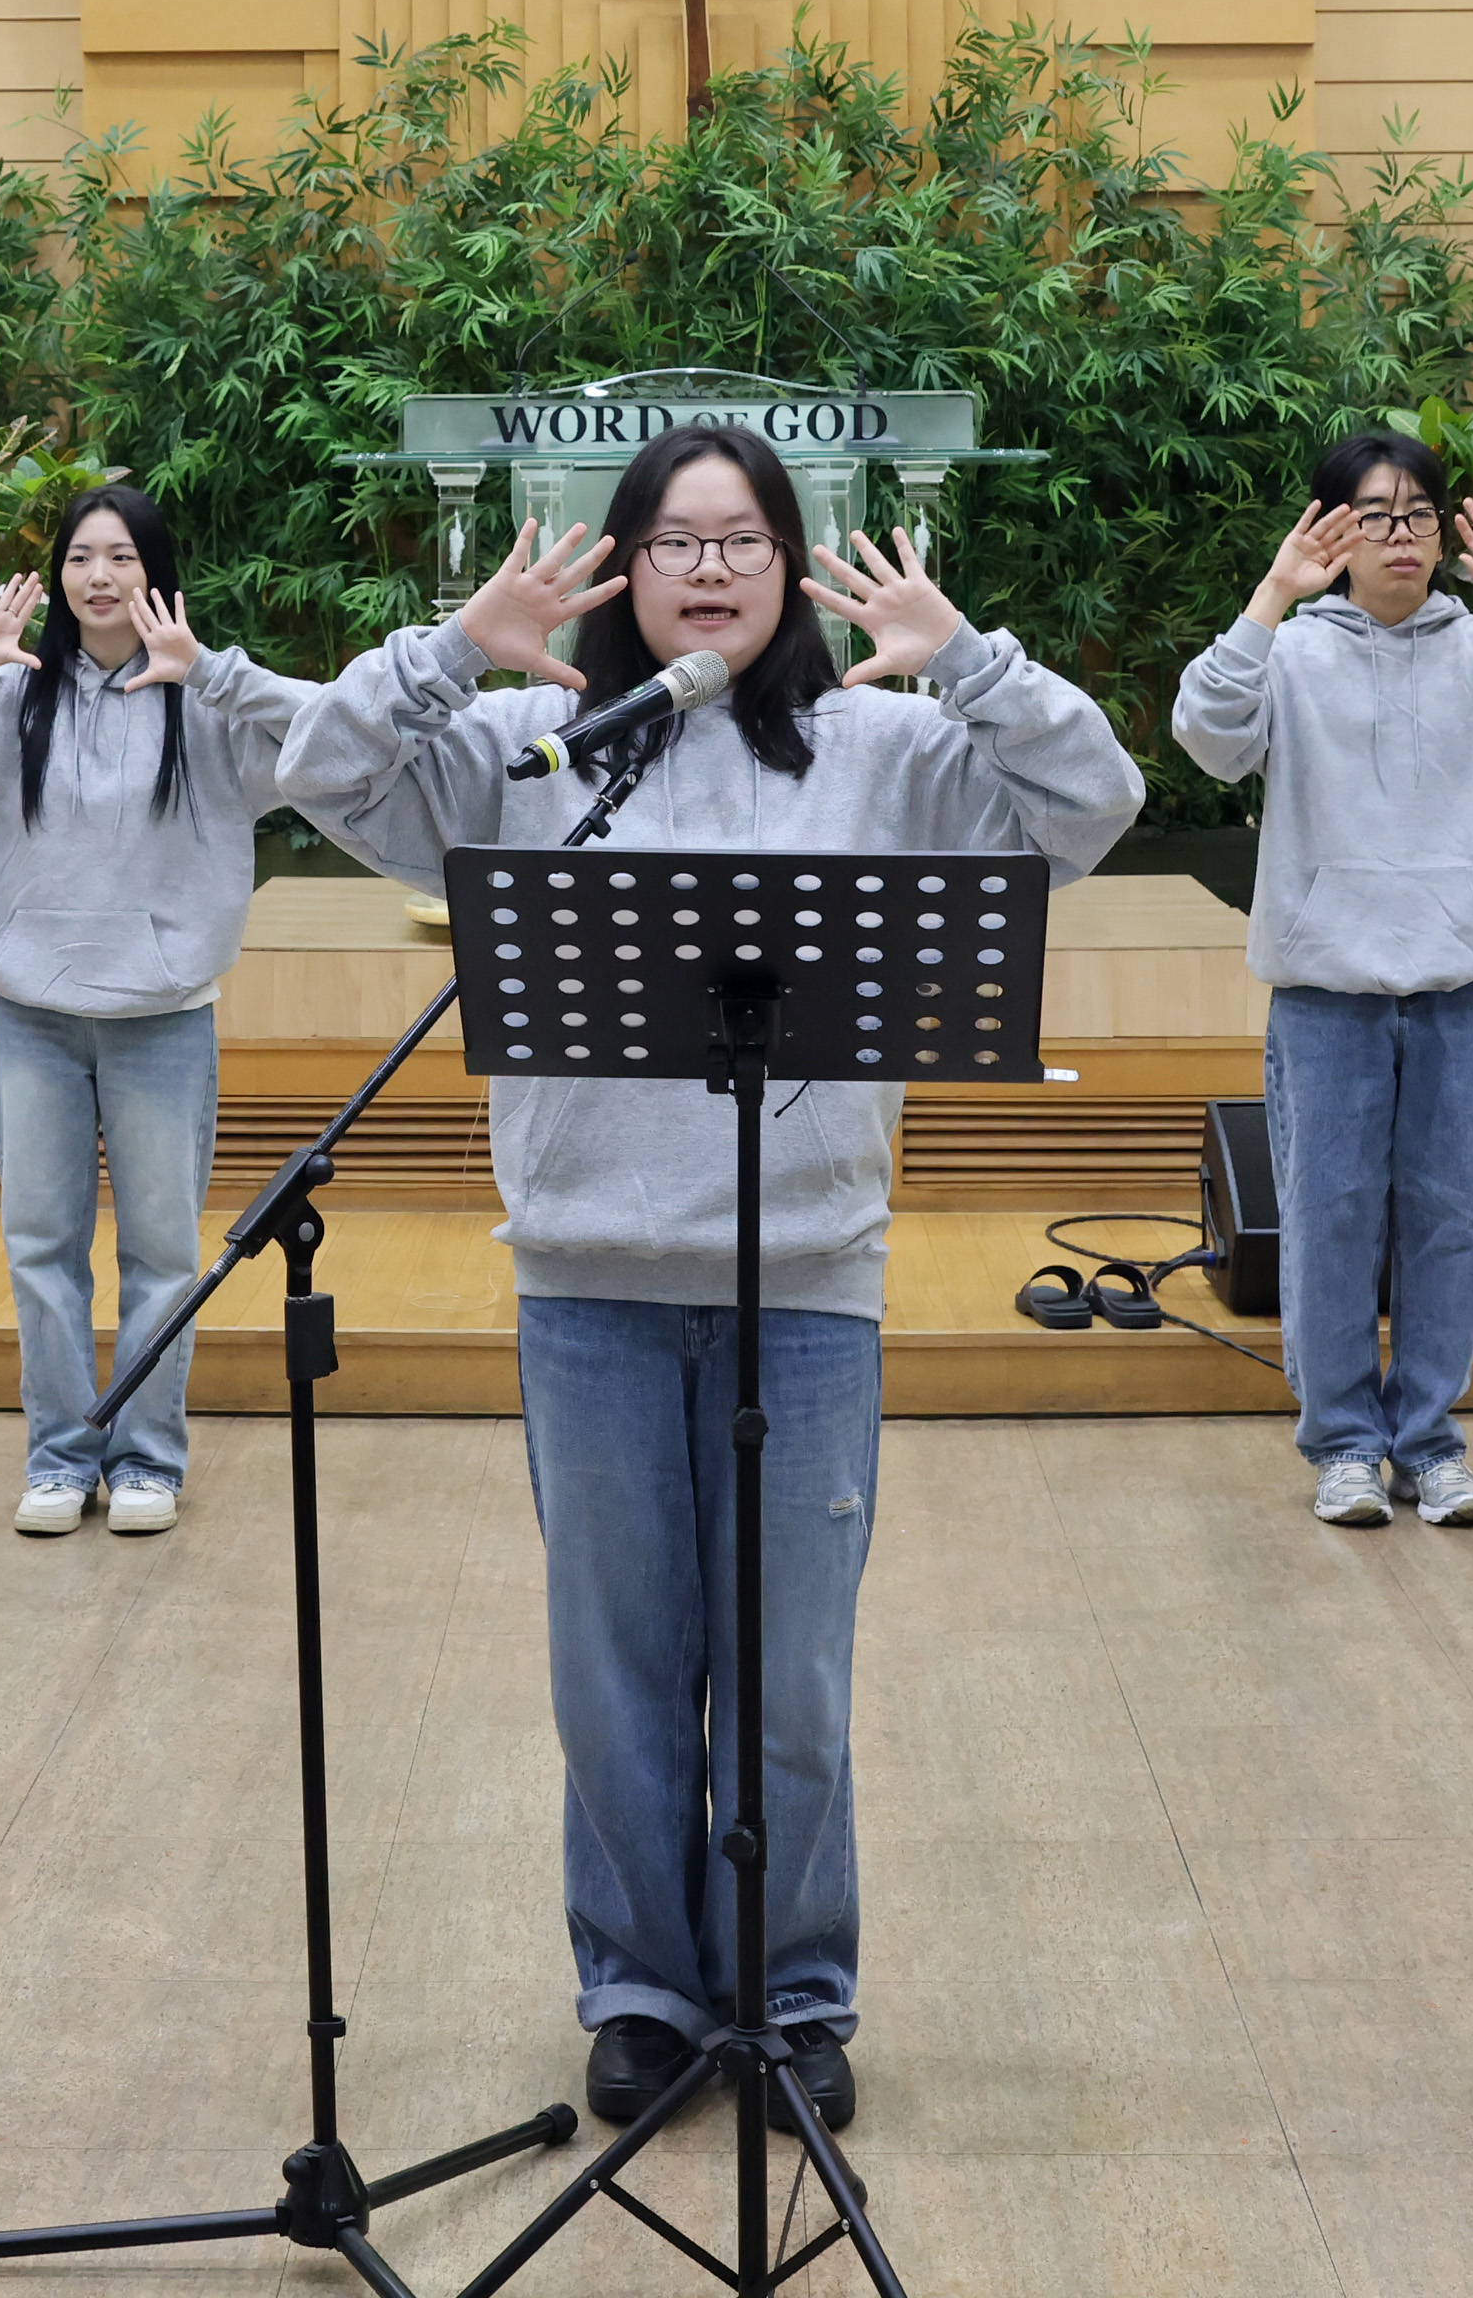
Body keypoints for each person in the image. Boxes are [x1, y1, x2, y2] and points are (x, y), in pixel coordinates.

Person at [282, 424, 1140, 2141]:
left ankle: (791, 1995)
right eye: (673, 539)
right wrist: (451, 650)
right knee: (612, 1677)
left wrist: (969, 660)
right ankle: (641, 1993)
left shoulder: (883, 746)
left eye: (743, 538)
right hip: (587, 1283)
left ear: (790, 565)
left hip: (806, 1282)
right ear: (619, 566)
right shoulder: (534, 744)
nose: (708, 569)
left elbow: (1095, 805)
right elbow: (320, 773)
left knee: (787, 1680)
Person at [1170, 429, 1473, 1532]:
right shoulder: (1291, 654)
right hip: (1325, 993)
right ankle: (1342, 1443)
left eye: (1419, 513)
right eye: (1373, 515)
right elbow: (1205, 734)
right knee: (1327, 1221)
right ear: (1332, 531)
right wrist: (1272, 595)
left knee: (1453, 1222)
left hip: (1462, 993)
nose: (1401, 535)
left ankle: (1430, 1443)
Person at [0, 485, 301, 1539]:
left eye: (124, 556)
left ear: (157, 573)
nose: (101, 576)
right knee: (41, 1247)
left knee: (162, 1256)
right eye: (82, 556)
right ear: (56, 575)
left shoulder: (206, 703)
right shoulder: (6, 695)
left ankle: (146, 1460)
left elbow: (332, 738)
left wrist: (214, 671)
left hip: (164, 1014)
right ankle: (58, 1456)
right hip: (32, 1015)